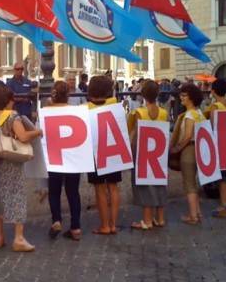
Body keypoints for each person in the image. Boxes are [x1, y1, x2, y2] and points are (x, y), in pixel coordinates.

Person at [0, 86, 43, 251]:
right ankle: (19, 238)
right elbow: (22, 136)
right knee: (17, 197)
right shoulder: (12, 116)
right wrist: (37, 132)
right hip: (10, 162)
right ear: (8, 101)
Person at [128, 80, 169, 230]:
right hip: (159, 152)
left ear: (142, 94)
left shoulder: (138, 112)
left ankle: (146, 221)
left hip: (143, 151)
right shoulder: (164, 113)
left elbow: (134, 133)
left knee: (144, 185)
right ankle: (160, 218)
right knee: (160, 183)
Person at [45, 81, 83, 240]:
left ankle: (56, 220)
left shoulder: (46, 111)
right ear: (68, 95)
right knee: (73, 192)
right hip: (73, 157)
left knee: (54, 191)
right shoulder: (76, 111)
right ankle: (76, 228)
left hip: (55, 157)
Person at [87, 76, 122, 235]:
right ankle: (114, 225)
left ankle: (105, 225)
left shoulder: (86, 108)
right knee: (114, 187)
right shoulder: (116, 105)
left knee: (100, 189)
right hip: (114, 150)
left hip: (95, 153)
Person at [170, 83, 204, 225]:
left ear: (191, 98)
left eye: (184, 95)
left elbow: (188, 135)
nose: (181, 97)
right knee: (194, 183)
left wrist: (176, 149)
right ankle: (197, 212)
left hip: (189, 150)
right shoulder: (199, 113)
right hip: (199, 149)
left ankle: (193, 216)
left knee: (189, 184)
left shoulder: (189, 115)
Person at [205, 78, 226, 218]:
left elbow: (214, 126)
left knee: (224, 179)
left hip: (222, 145)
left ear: (213, 91)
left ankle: (224, 207)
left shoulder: (216, 106)